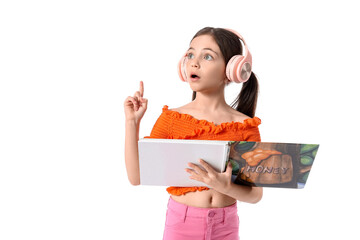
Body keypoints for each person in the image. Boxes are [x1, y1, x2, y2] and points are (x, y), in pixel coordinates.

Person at [124, 27, 263, 240]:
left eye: (207, 56)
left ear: (232, 69)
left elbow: (255, 195)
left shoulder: (245, 125)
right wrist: (132, 123)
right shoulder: (171, 119)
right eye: (190, 54)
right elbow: (136, 177)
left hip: (226, 226)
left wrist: (225, 186)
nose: (194, 62)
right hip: (181, 224)